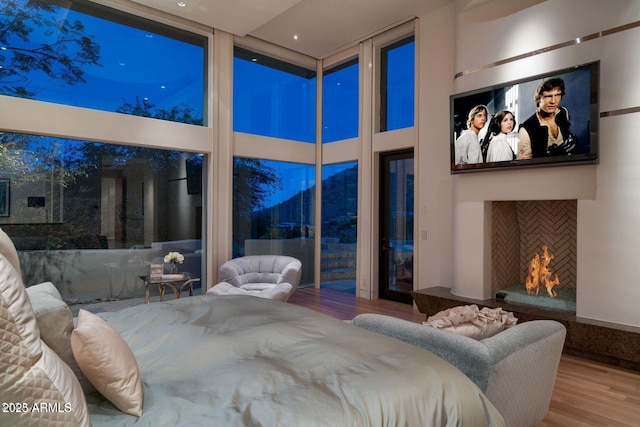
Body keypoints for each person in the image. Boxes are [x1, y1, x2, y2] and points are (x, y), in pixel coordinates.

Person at [517, 77, 576, 159]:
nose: (553, 101)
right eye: (548, 96)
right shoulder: (526, 130)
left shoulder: (562, 113)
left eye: (557, 95)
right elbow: (525, 165)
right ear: (538, 99)